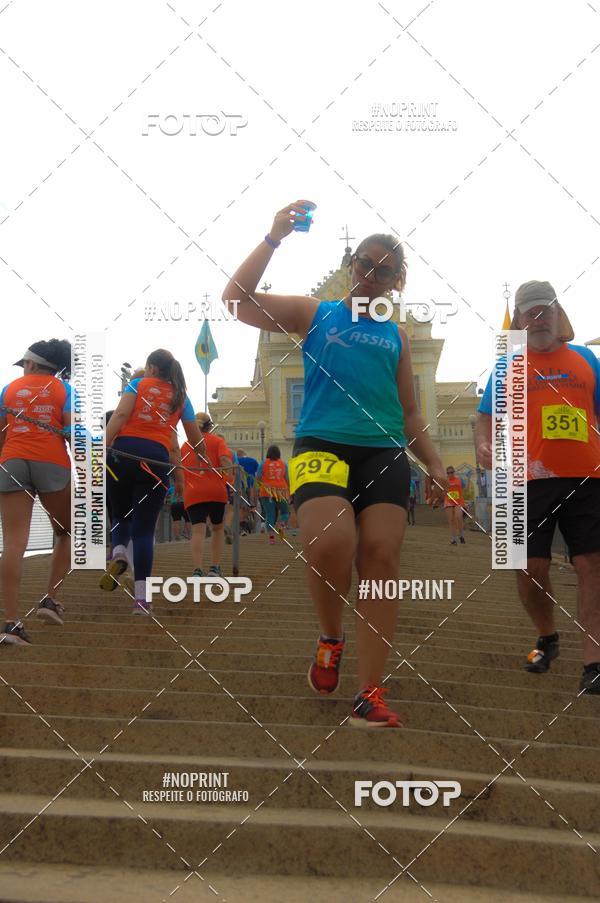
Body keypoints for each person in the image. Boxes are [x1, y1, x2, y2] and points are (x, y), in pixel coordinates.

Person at [222, 201, 447, 727]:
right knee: (331, 543)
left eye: (383, 269)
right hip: (322, 443)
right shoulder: (316, 313)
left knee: (382, 559)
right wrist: (273, 237)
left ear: (398, 279)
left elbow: (410, 409)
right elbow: (236, 301)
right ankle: (331, 636)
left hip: (384, 450)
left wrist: (434, 462)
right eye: (364, 263)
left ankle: (370, 693)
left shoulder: (396, 336)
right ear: (352, 268)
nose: (371, 274)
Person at [475, 281, 600, 692]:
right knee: (529, 567)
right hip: (524, 480)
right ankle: (547, 637)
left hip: (588, 477)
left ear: (556, 311)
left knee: (591, 565)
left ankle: (593, 661)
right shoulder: (506, 367)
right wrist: (482, 443)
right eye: (529, 311)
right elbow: (486, 417)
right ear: (520, 319)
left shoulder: (586, 360)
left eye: (544, 308)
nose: (538, 316)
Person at [104, 349, 205, 614]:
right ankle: (141, 600)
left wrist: (102, 445)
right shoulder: (181, 396)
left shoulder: (137, 384)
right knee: (144, 530)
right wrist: (203, 457)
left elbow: (121, 415)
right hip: (156, 461)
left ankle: (118, 552)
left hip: (122, 454)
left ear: (150, 367)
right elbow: (194, 437)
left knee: (120, 514)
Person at [0, 340, 72, 645]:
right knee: (67, 531)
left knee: (14, 542)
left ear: (30, 363)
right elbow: (72, 433)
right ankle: (49, 600)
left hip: (11, 460)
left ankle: (10, 624)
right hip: (52, 461)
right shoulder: (66, 391)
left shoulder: (8, 390)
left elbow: (1, 433)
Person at [182, 413, 232, 582]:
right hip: (216, 491)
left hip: (193, 491)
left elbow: (180, 468)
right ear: (210, 426)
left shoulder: (186, 445)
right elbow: (225, 460)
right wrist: (230, 475)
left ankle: (197, 570)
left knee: (198, 530)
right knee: (217, 528)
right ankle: (215, 568)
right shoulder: (218, 441)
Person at [257, 445, 290, 544]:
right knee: (285, 512)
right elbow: (287, 479)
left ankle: (271, 538)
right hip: (281, 491)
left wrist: (260, 487)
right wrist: (290, 491)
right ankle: (282, 525)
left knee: (270, 514)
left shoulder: (263, 463)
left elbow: (258, 478)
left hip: (266, 492)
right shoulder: (284, 464)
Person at [444, 466, 466, 544]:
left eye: (451, 472)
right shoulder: (445, 481)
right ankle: (453, 539)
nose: (450, 474)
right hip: (448, 502)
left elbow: (465, 488)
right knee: (451, 521)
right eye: (448, 473)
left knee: (458, 517)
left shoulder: (460, 480)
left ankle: (461, 535)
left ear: (454, 472)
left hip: (458, 502)